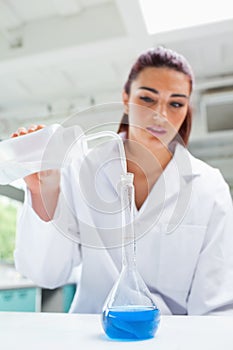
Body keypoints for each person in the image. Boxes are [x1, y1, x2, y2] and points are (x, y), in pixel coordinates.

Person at [13, 46, 233, 315]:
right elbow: (46, 274)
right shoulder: (82, 168)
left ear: (186, 109)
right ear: (126, 97)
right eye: (147, 99)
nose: (160, 114)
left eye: (176, 103)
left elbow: (216, 306)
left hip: (173, 340)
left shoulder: (208, 187)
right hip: (92, 333)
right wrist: (40, 191)